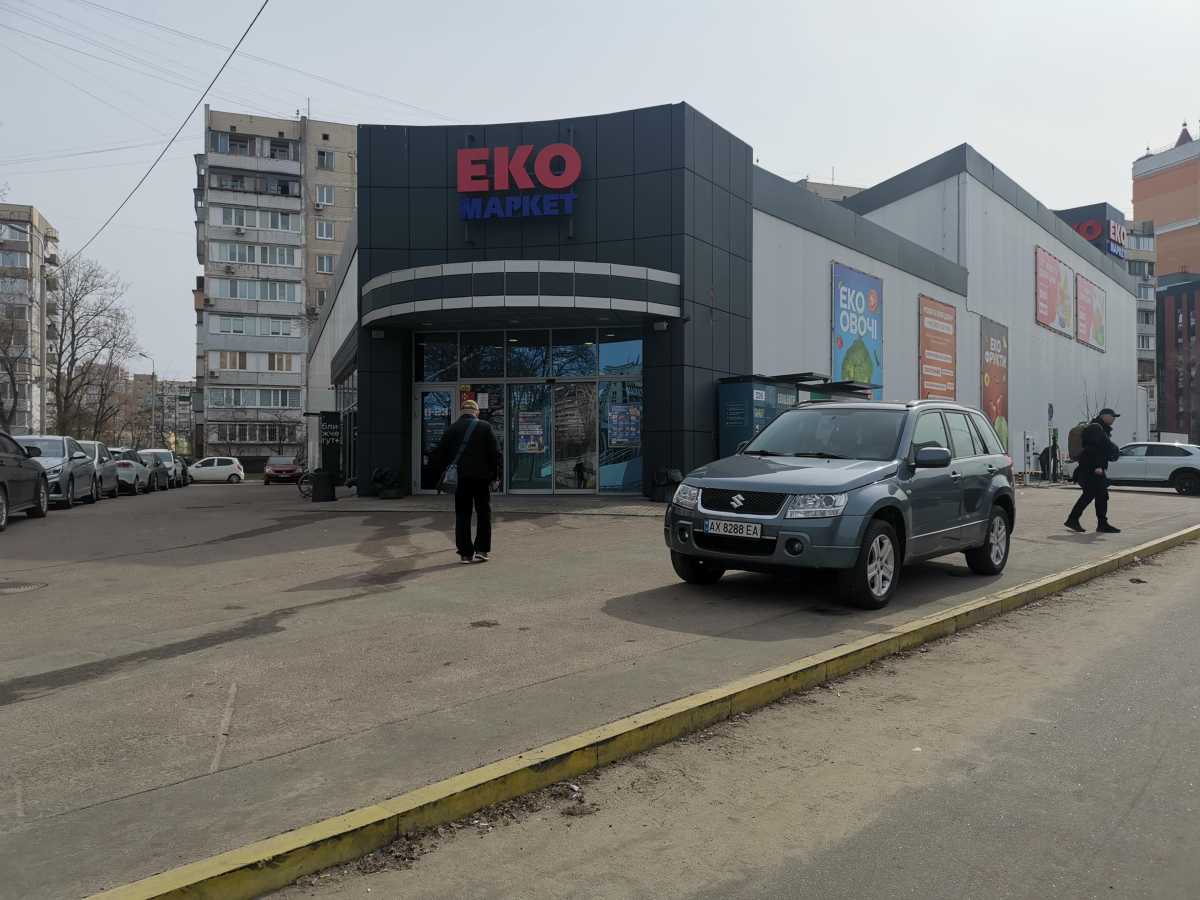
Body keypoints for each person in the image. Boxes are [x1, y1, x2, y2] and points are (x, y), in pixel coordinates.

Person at [433, 400, 500, 563]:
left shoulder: (451, 429)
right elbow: (495, 454)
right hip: (482, 479)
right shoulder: (485, 427)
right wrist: (495, 477)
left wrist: (444, 473)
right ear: (476, 412)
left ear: (461, 412)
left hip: (460, 479)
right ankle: (482, 550)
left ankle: (465, 553)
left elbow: (439, 455)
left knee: (462, 514)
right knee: (483, 513)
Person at [1065, 408, 1122, 534]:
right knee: (1092, 495)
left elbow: (1101, 448)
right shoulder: (1095, 428)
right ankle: (1076, 520)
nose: (1114, 419)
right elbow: (1093, 449)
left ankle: (1099, 523)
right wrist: (1097, 466)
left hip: (1090, 469)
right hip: (1092, 470)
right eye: (1112, 416)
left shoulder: (1099, 428)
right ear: (1104, 416)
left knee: (1098, 495)